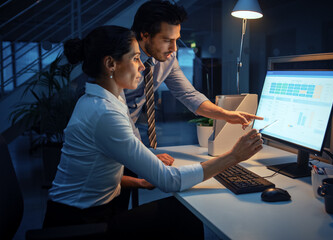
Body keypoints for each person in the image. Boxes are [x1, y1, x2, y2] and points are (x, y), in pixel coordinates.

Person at [43, 25, 263, 238]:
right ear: (111, 63)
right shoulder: (105, 112)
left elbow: (96, 171)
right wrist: (235, 156)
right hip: (80, 223)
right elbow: (169, 182)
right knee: (185, 214)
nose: (142, 66)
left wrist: (140, 180)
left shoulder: (104, 99)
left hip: (90, 210)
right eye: (135, 58)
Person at [125, 0, 263, 145]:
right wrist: (142, 155)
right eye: (167, 40)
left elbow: (188, 95)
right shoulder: (118, 58)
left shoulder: (168, 59)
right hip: (110, 132)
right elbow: (116, 111)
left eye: (176, 40)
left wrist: (226, 115)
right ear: (145, 35)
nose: (174, 48)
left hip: (129, 138)